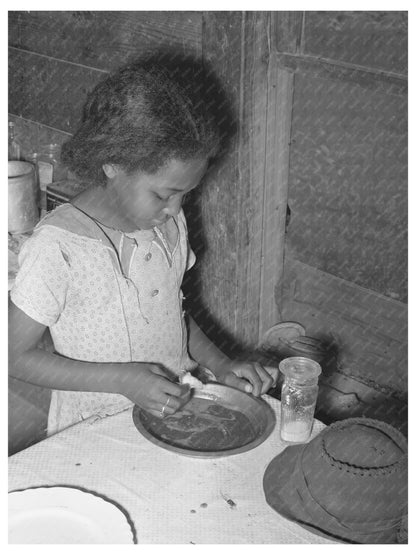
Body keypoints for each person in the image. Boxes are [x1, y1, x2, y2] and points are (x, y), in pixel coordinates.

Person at [8, 56, 278, 437]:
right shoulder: (60, 248)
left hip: (173, 411)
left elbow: (171, 312)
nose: (175, 209)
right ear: (113, 163)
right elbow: (13, 357)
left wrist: (220, 364)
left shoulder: (166, 226)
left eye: (185, 194)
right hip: (93, 429)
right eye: (164, 194)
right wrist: (124, 380)